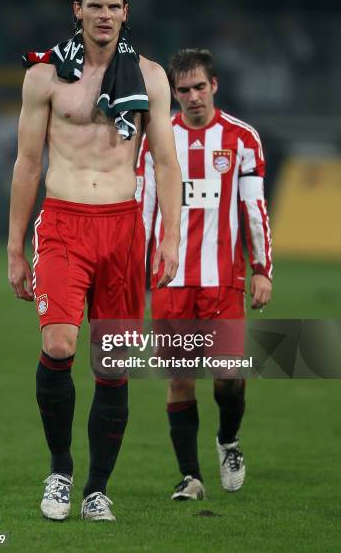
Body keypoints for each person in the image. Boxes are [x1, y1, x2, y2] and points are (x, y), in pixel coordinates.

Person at [7, 0, 181, 522]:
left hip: (124, 229)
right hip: (62, 222)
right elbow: (28, 164)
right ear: (76, 10)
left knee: (112, 363)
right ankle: (60, 470)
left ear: (127, 12)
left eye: (114, 6)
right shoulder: (45, 77)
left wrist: (170, 236)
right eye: (95, 6)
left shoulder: (151, 77)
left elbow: (166, 162)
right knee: (59, 345)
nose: (104, 15)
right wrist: (15, 248)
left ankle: (97, 489)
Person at [137, 48, 272, 501]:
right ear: (173, 93)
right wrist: (136, 275)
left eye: (199, 87)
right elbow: (145, 208)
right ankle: (190, 477)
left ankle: (228, 441)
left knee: (228, 377)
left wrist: (261, 269)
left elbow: (254, 207)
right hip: (170, 280)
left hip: (223, 279)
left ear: (214, 85)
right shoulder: (158, 139)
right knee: (179, 379)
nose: (192, 97)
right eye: (183, 90)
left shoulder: (242, 138)